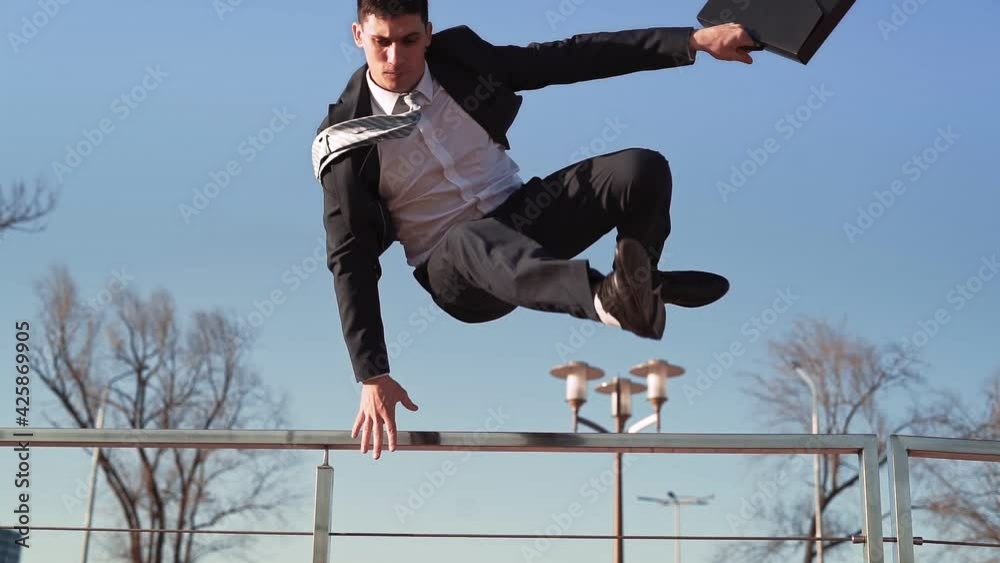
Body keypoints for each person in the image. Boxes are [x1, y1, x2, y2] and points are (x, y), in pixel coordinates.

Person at [314, 0, 757, 459]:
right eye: (380, 42)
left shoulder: (463, 58)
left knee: (639, 168)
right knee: (469, 237)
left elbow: (571, 56)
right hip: (455, 274)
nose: (394, 59)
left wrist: (692, 40)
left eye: (408, 41)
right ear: (357, 35)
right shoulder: (346, 138)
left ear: (428, 33)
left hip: (524, 218)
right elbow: (350, 258)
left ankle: (637, 282)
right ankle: (604, 298)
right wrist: (372, 373)